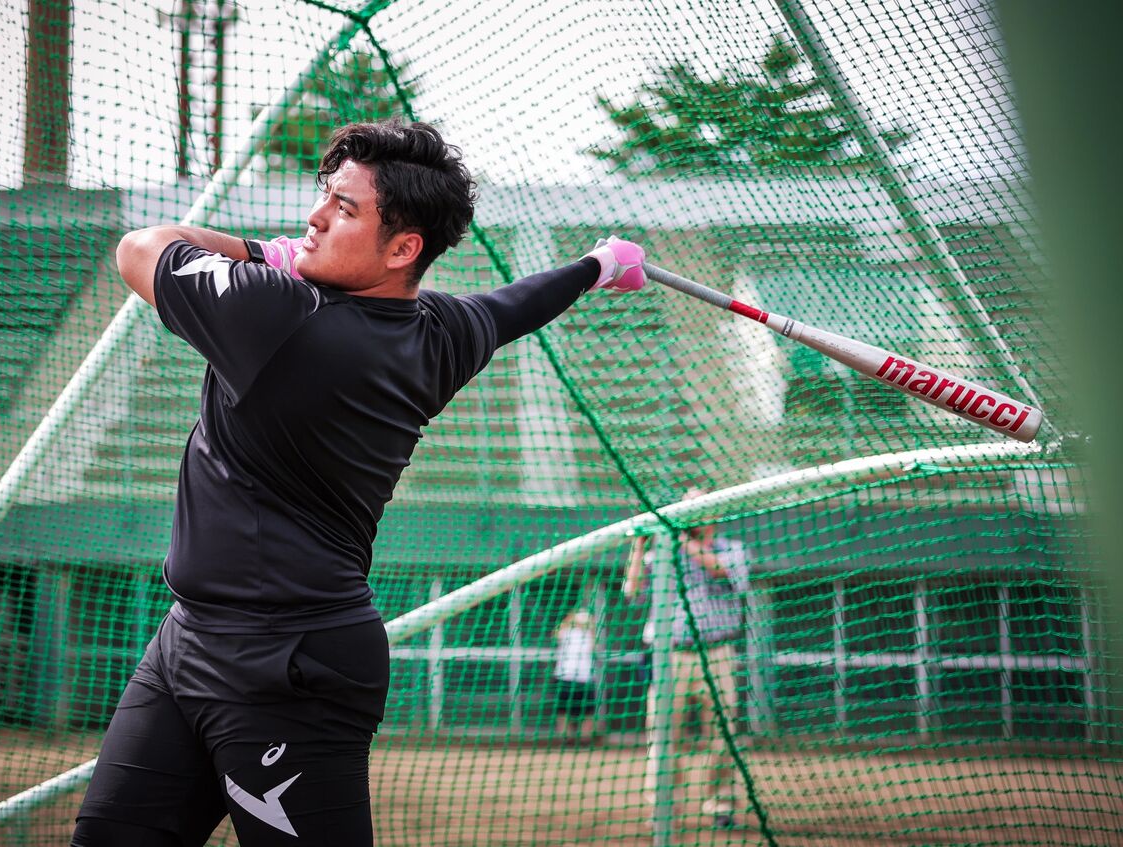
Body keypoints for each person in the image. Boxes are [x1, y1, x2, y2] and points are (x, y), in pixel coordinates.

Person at [71, 119, 646, 847]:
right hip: (188, 641)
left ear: (404, 247)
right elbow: (515, 307)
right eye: (325, 197)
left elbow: (139, 248)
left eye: (344, 210)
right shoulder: (438, 333)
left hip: (287, 665)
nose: (312, 220)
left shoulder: (279, 314)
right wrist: (598, 264)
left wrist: (266, 253)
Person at [621, 489, 749, 830]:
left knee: (723, 735)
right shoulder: (663, 551)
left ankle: (721, 805)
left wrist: (680, 539)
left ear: (714, 512)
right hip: (670, 657)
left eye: (699, 505)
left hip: (717, 654)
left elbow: (722, 570)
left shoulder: (732, 549)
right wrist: (640, 545)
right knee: (663, 736)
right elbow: (632, 592)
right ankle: (663, 807)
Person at [552, 607, 598, 745]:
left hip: (585, 677)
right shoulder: (566, 632)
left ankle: (585, 739)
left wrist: (590, 625)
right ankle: (567, 739)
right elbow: (556, 633)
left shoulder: (590, 634)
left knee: (588, 712)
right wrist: (571, 618)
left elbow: (595, 643)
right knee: (563, 711)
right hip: (565, 676)